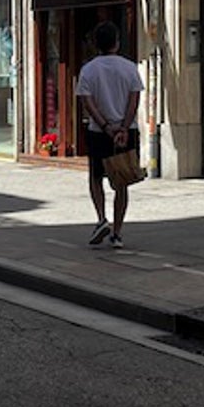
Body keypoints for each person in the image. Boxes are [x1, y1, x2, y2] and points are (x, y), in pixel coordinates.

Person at [76, 21, 144, 249]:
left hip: (99, 131)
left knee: (96, 177)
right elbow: (135, 99)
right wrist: (123, 128)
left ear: (96, 44)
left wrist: (106, 126)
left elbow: (88, 103)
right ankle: (117, 233)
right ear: (116, 42)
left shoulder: (88, 70)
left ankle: (101, 218)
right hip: (127, 131)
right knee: (122, 179)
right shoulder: (130, 67)